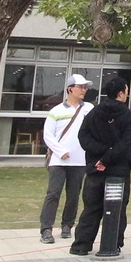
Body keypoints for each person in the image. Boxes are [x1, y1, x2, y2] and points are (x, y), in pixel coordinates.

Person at [72, 75, 131, 257]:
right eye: (126, 90)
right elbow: (124, 144)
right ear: (121, 93)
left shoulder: (94, 112)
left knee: (91, 207)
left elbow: (83, 137)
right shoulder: (128, 116)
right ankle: (113, 243)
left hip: (95, 167)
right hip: (118, 168)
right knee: (118, 208)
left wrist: (100, 156)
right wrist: (107, 156)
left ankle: (81, 244)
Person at [39, 74, 92, 244]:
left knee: (74, 195)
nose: (83, 90)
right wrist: (60, 151)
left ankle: (67, 225)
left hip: (80, 160)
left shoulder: (89, 109)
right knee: (53, 194)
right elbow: (48, 135)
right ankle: (46, 229)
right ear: (70, 89)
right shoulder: (56, 111)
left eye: (85, 87)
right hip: (58, 161)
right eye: (80, 87)